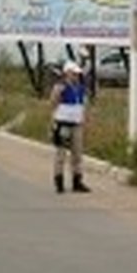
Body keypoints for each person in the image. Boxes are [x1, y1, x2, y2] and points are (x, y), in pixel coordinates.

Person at [50, 61, 91, 193]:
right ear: (67, 73)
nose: (76, 76)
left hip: (77, 124)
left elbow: (84, 104)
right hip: (63, 123)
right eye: (73, 74)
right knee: (61, 154)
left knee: (77, 154)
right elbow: (53, 102)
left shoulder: (80, 88)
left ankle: (77, 181)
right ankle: (59, 180)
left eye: (77, 74)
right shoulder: (60, 87)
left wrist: (85, 118)